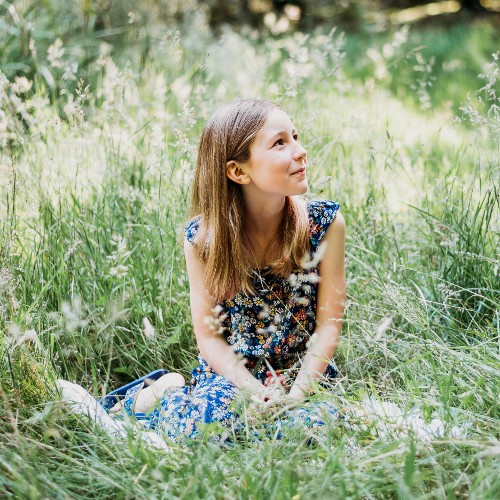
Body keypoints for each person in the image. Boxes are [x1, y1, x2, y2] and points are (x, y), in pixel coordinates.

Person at [58, 98, 346, 444]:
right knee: (201, 430)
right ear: (238, 171)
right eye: (280, 143)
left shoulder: (324, 224)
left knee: (308, 430)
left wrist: (295, 396)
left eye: (295, 136)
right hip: (235, 373)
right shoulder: (203, 240)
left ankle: (270, 417)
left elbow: (328, 329)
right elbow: (209, 338)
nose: (300, 151)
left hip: (301, 371)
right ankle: (162, 394)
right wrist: (256, 392)